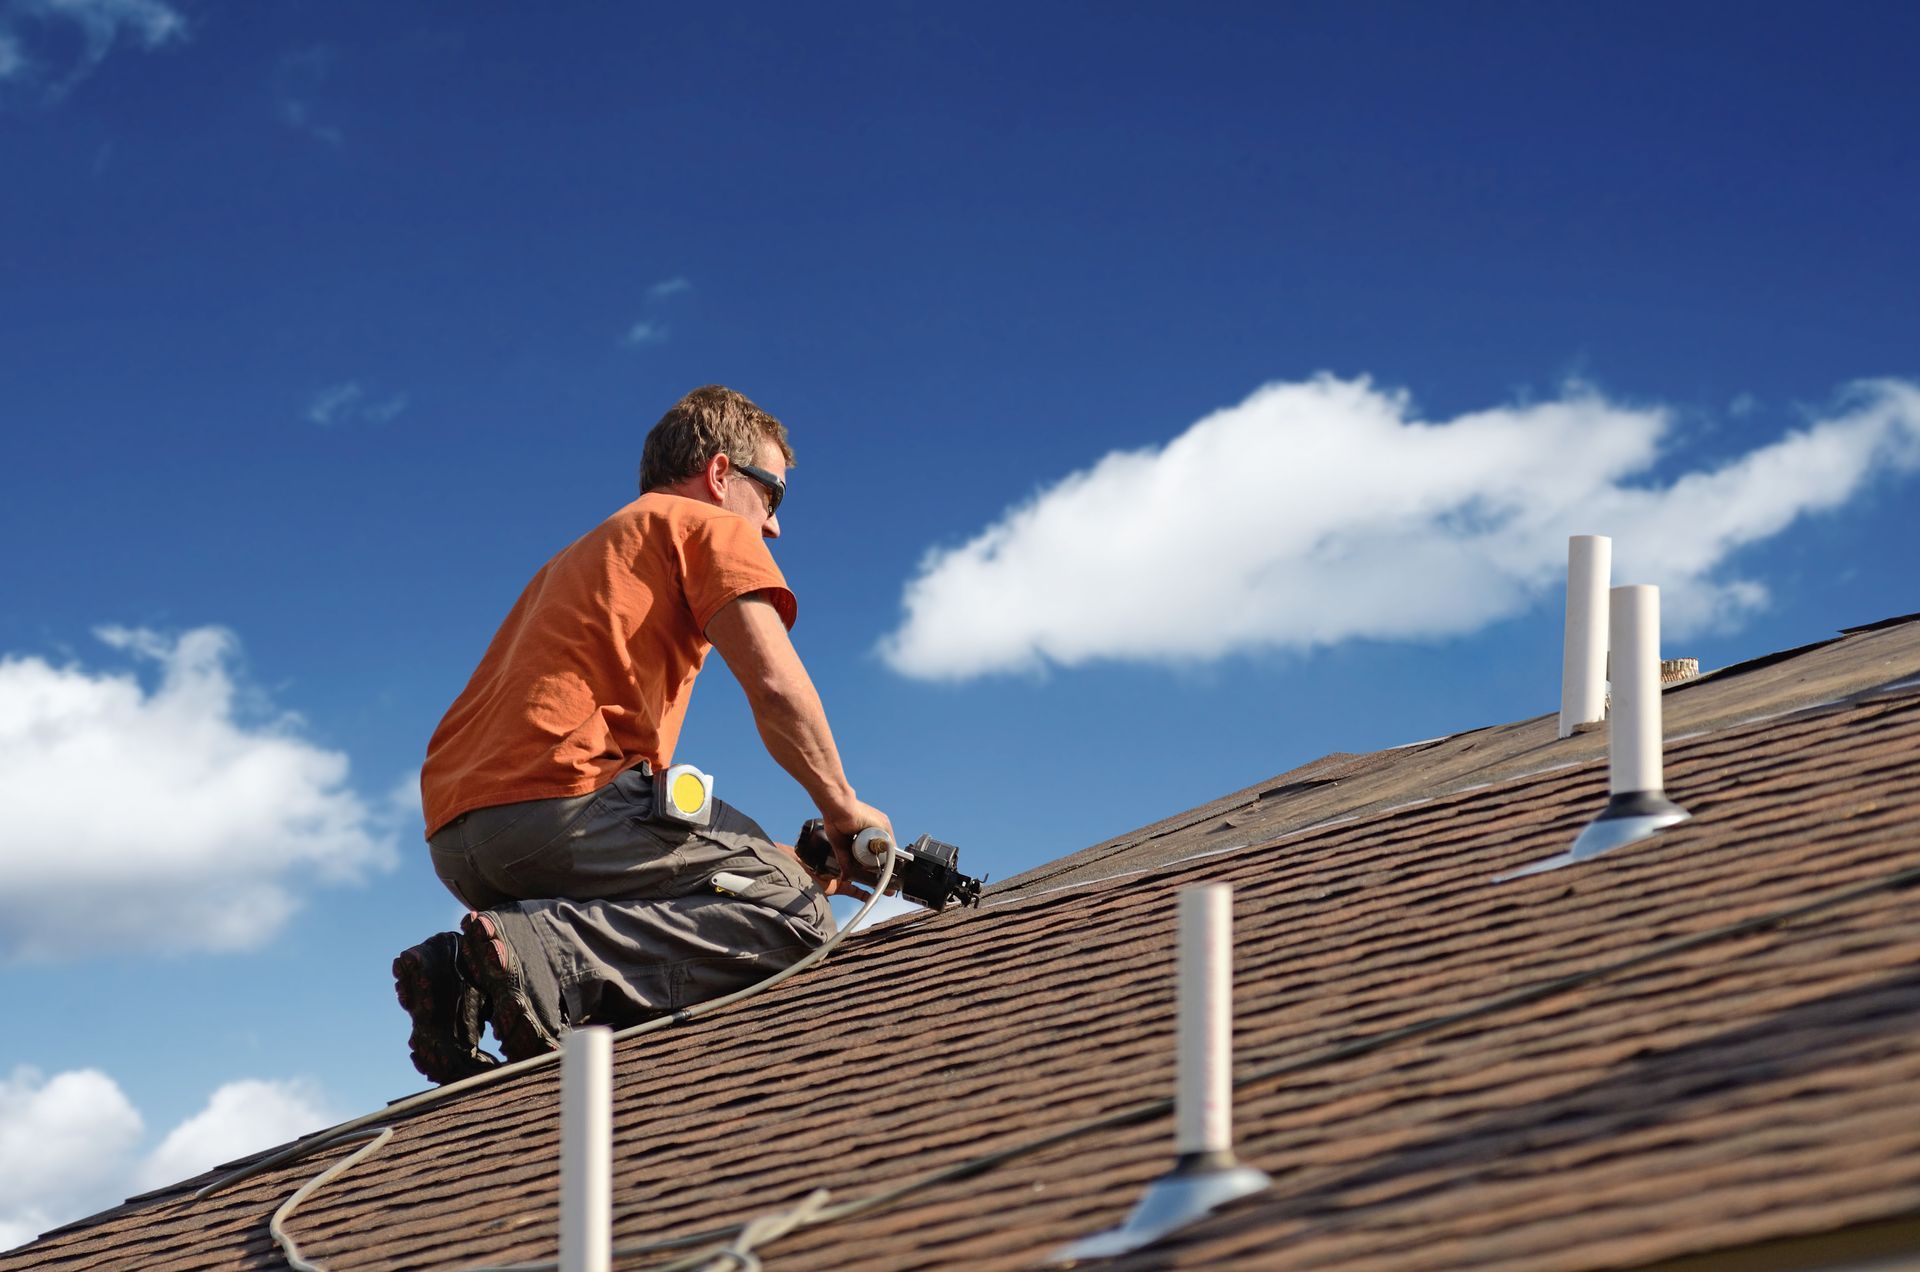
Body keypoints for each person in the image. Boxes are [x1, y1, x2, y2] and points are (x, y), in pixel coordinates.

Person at [393, 385, 893, 1084]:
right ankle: (539, 955)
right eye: (771, 495)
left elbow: (653, 825)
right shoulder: (705, 526)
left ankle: (461, 978)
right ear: (720, 474)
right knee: (802, 915)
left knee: (778, 878)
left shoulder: (582, 557)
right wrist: (845, 808)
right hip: (563, 808)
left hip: (461, 843)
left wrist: (789, 860)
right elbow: (777, 687)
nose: (774, 525)